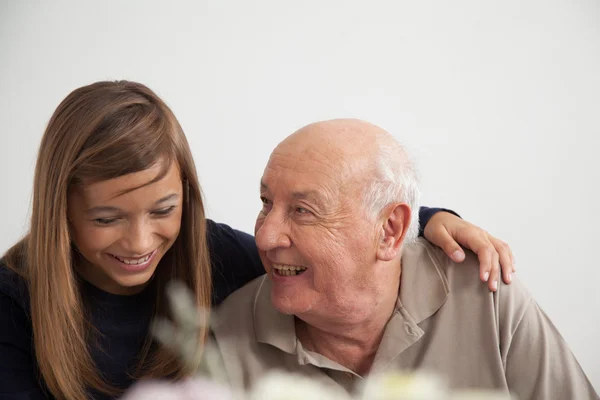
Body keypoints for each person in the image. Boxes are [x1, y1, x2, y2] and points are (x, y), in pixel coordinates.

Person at [0, 81, 514, 400]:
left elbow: (323, 246)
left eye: (163, 210)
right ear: (59, 209)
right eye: (106, 218)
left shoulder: (212, 255)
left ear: (186, 195)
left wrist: (425, 218)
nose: (139, 241)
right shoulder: (12, 299)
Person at [212, 119, 597, 399]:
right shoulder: (224, 340)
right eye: (266, 202)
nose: (264, 236)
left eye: (302, 210)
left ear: (390, 230)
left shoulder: (486, 292)